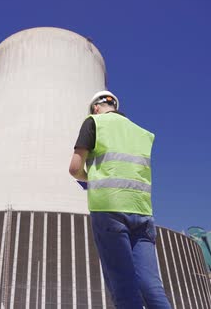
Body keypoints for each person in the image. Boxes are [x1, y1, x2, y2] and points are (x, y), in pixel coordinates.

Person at [69, 91, 172, 309]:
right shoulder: (141, 133)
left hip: (108, 209)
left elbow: (75, 168)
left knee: (123, 285)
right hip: (142, 212)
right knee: (152, 287)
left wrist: (90, 180)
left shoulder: (94, 123)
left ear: (96, 107)